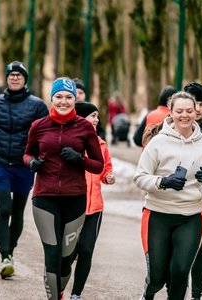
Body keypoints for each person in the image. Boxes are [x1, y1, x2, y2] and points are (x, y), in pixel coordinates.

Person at [23, 77, 104, 300]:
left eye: (69, 97)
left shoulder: (85, 127)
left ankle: (58, 291)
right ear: (51, 99)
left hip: (75, 199)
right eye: (58, 97)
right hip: (44, 198)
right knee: (52, 253)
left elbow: (99, 166)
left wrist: (80, 159)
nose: (63, 101)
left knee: (67, 257)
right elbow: (27, 153)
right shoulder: (38, 126)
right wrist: (31, 162)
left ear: (74, 100)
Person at [133, 91, 202, 300]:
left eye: (189, 111)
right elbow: (139, 177)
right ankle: (148, 293)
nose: (184, 115)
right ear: (171, 112)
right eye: (179, 111)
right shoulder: (158, 143)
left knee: (179, 272)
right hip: (158, 215)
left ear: (197, 112)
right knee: (158, 276)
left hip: (191, 216)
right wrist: (163, 181)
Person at [0, 60, 48, 278]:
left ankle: (10, 252)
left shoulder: (37, 105)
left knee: (18, 211)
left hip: (24, 164)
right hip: (0, 161)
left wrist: (39, 155)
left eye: (19, 75)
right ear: (7, 79)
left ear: (25, 79)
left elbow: (44, 132)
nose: (15, 78)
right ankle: (4, 257)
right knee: (4, 209)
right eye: (11, 75)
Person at [70, 101, 115, 300]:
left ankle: (76, 294)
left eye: (97, 116)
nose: (97, 120)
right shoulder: (69, 141)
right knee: (68, 253)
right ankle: (58, 288)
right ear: (81, 117)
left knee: (86, 250)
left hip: (94, 208)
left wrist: (108, 177)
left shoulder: (101, 144)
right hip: (72, 206)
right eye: (93, 116)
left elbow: (106, 170)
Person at [184, 82, 202, 300]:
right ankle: (175, 291)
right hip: (177, 199)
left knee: (200, 248)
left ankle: (196, 295)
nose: (199, 109)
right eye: (196, 103)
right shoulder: (174, 130)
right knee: (179, 250)